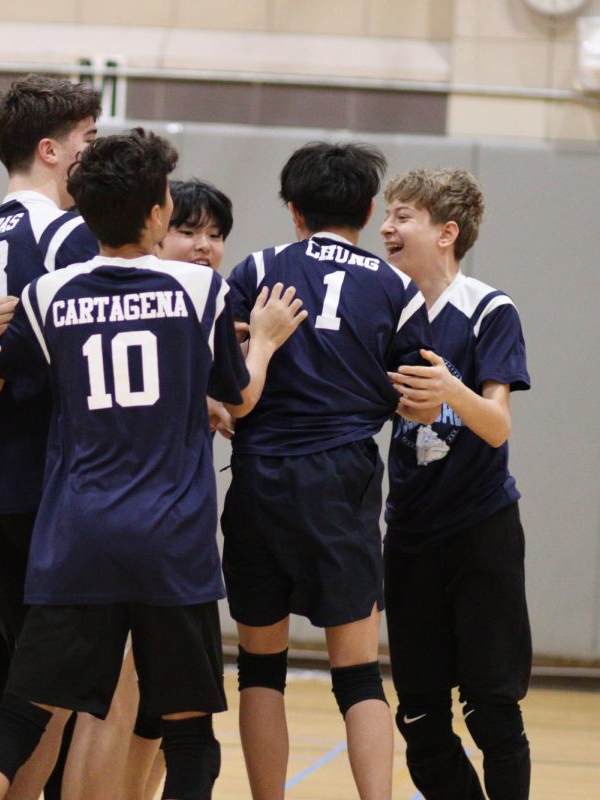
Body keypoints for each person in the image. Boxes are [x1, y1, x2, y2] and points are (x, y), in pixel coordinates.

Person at [0, 128, 306, 800]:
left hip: (75, 537)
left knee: (17, 718)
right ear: (156, 213)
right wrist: (262, 342)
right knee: (189, 739)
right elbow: (241, 397)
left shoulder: (50, 294)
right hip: (170, 545)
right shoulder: (201, 293)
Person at [220, 142, 431, 800]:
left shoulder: (256, 269)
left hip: (259, 475)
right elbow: (416, 396)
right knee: (359, 674)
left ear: (293, 210)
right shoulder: (397, 288)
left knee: (260, 668)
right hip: (342, 480)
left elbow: (223, 374)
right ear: (369, 211)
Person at [60, 177, 236, 800]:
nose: (203, 246)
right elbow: (240, 398)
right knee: (121, 699)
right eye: (188, 229)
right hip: (142, 537)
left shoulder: (195, 307)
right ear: (154, 223)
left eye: (216, 236)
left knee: (154, 716)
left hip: (114, 528)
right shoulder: (176, 299)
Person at [0, 73, 102, 797]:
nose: (94, 156)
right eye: (87, 142)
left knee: (31, 693)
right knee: (47, 701)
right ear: (51, 150)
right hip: (45, 493)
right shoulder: (67, 235)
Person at [381, 168, 532, 800]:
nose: (386, 226)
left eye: (403, 215)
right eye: (386, 214)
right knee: (418, 719)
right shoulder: (386, 309)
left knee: (491, 711)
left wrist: (449, 392)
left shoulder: (490, 310)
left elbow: (496, 426)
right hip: (410, 537)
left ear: (446, 233)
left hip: (479, 532)